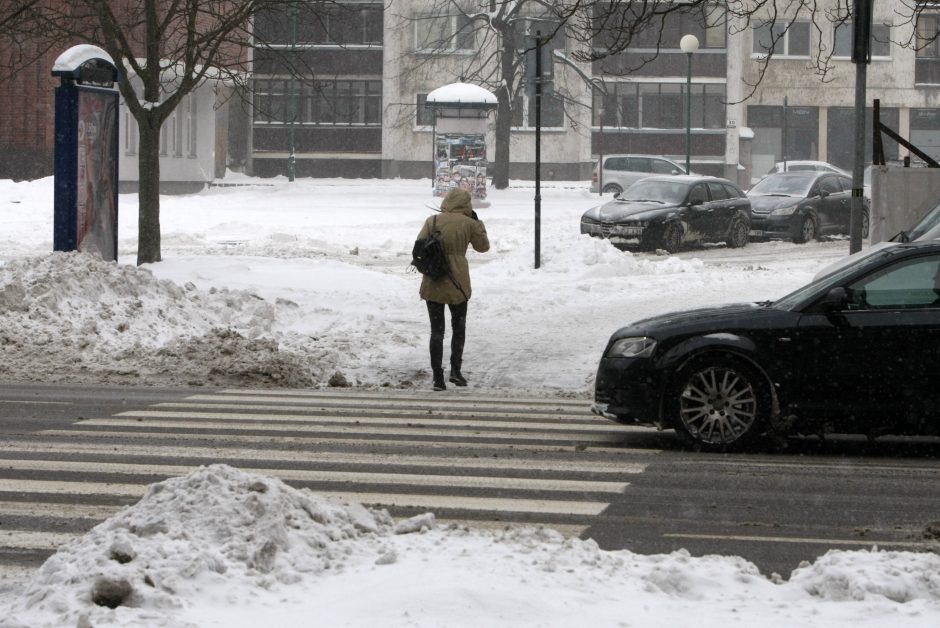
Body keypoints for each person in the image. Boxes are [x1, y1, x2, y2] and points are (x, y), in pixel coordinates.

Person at [416, 187, 489, 391]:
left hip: (434, 279)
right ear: (466, 204)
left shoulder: (433, 221)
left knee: (436, 331)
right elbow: (483, 247)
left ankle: (437, 377)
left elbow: (419, 246)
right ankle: (456, 371)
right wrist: (477, 222)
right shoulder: (469, 223)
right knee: (459, 329)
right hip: (458, 281)